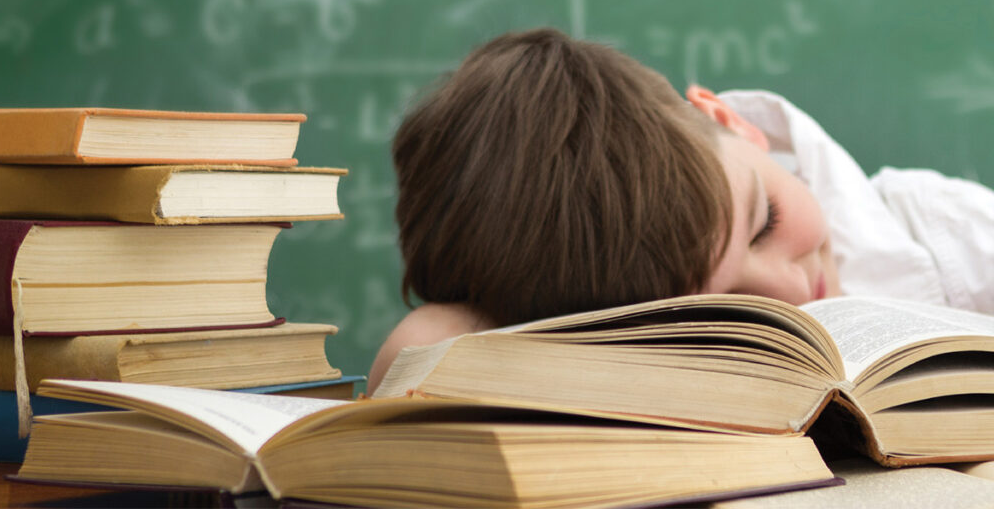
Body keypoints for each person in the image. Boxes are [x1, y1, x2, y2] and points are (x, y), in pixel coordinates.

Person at [367, 28, 994, 394]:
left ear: (730, 121)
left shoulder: (951, 231)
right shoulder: (605, 309)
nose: (792, 291)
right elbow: (413, 361)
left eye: (764, 222)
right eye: (721, 307)